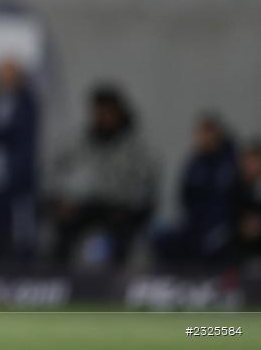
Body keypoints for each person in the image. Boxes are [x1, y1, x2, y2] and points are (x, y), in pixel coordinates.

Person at [45, 84, 156, 266]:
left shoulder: (135, 146)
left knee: (122, 230)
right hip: (85, 205)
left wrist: (129, 205)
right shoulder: (79, 141)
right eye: (98, 111)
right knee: (63, 228)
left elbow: (145, 185)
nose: (103, 117)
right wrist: (61, 199)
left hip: (121, 207)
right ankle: (60, 279)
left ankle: (119, 281)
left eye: (108, 112)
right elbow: (57, 172)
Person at [0, 58, 39, 264]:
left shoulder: (26, 102)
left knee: (21, 224)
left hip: (17, 175)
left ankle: (24, 263)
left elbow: (17, 134)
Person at [155, 114, 240, 266]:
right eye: (201, 134)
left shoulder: (231, 162)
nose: (204, 138)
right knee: (162, 238)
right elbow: (185, 196)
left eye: (208, 133)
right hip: (195, 224)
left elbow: (236, 199)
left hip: (223, 226)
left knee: (214, 246)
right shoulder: (194, 163)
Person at [234, 140, 261, 261]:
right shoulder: (237, 185)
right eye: (247, 161)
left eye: (254, 161)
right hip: (241, 234)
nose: (250, 165)